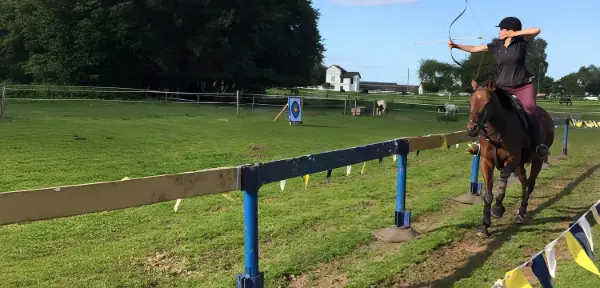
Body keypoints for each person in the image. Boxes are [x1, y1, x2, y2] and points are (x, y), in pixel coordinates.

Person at [448, 16, 548, 158]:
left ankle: (538, 145)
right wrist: (457, 46)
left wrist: (515, 34)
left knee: (531, 110)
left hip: (522, 86)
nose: (500, 31)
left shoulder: (521, 42)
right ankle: (481, 143)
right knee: (487, 108)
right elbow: (475, 48)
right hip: (501, 87)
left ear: (511, 30)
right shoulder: (496, 45)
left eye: (503, 29)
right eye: (500, 29)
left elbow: (537, 30)